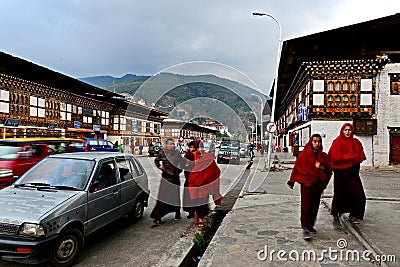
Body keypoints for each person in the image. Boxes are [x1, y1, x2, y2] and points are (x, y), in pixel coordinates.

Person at [287, 134, 332, 241]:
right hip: (306, 184)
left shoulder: (323, 156)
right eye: (315, 141)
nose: (317, 144)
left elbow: (329, 169)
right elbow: (297, 167)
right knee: (306, 206)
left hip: (317, 184)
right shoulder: (304, 155)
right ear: (311, 142)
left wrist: (321, 166)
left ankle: (311, 226)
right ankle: (305, 228)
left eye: (319, 142)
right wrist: (292, 181)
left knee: (314, 206)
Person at [328, 123, 366, 228]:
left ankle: (354, 214)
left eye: (349, 130)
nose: (347, 132)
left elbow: (359, 158)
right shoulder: (336, 142)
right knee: (338, 195)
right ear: (342, 131)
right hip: (339, 173)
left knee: (359, 195)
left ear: (352, 131)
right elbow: (333, 158)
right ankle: (335, 216)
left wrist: (352, 168)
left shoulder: (356, 143)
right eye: (345, 130)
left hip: (352, 173)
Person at [150, 138, 187, 226]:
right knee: (163, 197)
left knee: (175, 196)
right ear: (166, 145)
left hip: (175, 178)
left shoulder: (177, 153)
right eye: (170, 144)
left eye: (173, 144)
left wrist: (179, 170)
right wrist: (160, 167)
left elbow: (182, 163)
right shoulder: (162, 153)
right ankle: (158, 217)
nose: (172, 145)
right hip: (166, 178)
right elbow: (156, 161)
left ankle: (177, 214)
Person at [187, 140, 223, 228]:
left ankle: (201, 219)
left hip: (204, 185)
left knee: (203, 202)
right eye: (198, 147)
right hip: (194, 184)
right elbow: (187, 169)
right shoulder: (191, 157)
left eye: (201, 147)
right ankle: (197, 215)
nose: (200, 149)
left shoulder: (208, 157)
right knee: (195, 201)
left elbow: (215, 170)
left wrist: (209, 179)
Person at [183, 141, 196, 219]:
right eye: (190, 147)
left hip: (196, 178)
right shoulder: (187, 155)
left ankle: (195, 211)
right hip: (188, 178)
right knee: (188, 196)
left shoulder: (197, 155)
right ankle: (190, 211)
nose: (191, 149)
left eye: (193, 147)